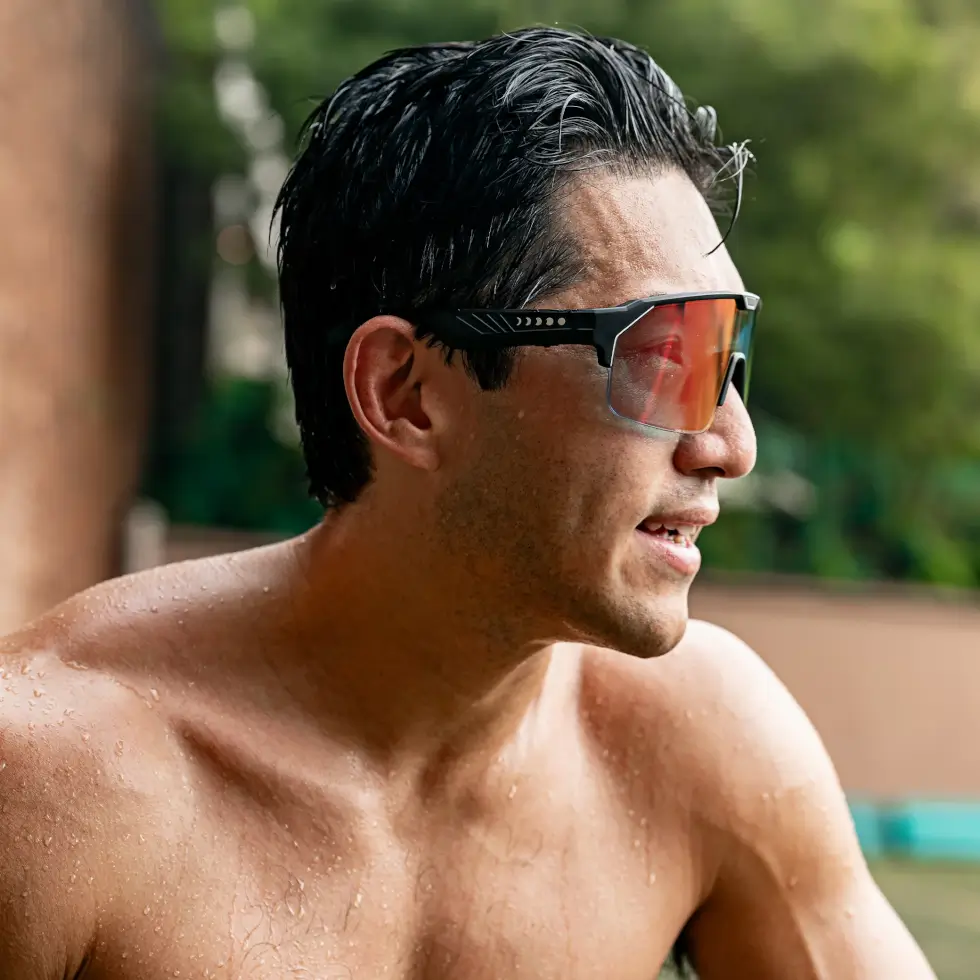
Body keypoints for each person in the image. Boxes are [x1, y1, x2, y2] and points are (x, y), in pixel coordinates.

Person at [0, 27, 934, 980]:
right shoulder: (50, 785)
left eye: (728, 358)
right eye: (665, 358)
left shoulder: (698, 744)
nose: (733, 446)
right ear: (407, 393)